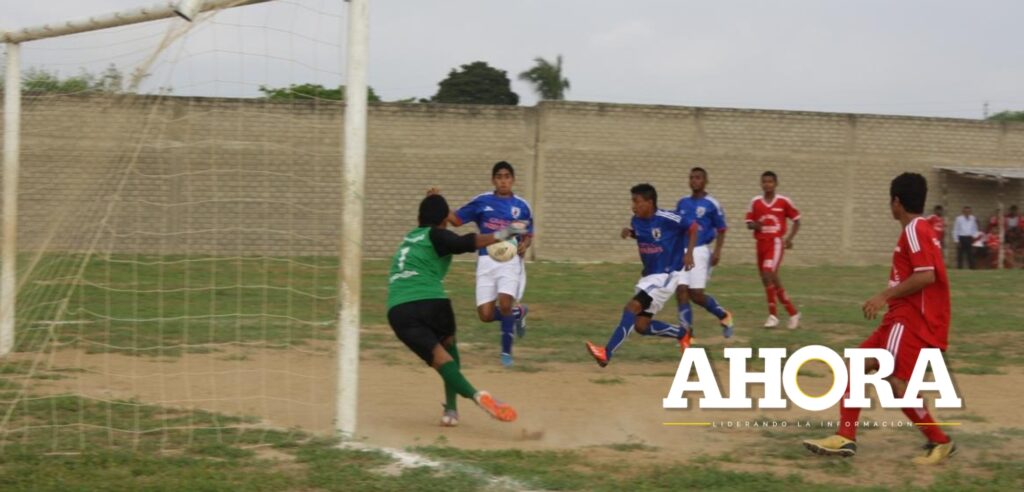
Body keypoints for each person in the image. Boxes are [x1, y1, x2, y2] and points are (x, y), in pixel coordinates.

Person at [802, 172, 956, 465]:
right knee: (855, 365)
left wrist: (884, 295)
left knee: (897, 383)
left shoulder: (913, 230)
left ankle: (940, 441)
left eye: (890, 200)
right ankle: (845, 436)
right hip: (901, 320)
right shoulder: (921, 229)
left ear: (896, 202)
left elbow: (926, 276)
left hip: (911, 321)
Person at [387, 194, 525, 427]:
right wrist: (504, 234)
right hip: (432, 301)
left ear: (418, 217)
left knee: (440, 360)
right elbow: (466, 243)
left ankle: (466, 402)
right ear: (443, 219)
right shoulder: (437, 235)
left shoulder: (409, 239)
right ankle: (454, 406)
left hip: (397, 309)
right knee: (448, 346)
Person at [585, 184, 697, 367]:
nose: (633, 206)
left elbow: (693, 227)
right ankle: (682, 333)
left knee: (631, 307)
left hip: (666, 274)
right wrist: (631, 234)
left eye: (637, 201)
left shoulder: (667, 218)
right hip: (650, 276)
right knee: (641, 326)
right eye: (632, 201)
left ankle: (606, 352)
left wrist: (689, 253)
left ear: (649, 202)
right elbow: (648, 237)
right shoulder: (636, 220)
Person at [447, 161, 533, 367]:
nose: (503, 181)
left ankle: (506, 354)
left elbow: (527, 234)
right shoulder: (482, 202)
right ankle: (518, 314)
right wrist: (438, 203)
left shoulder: (521, 206)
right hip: (486, 260)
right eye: (499, 177)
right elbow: (457, 220)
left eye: (507, 177)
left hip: (510, 261)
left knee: (504, 303)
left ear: (513, 179)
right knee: (485, 315)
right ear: (493, 180)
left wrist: (524, 245)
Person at [674, 167, 734, 342]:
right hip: (682, 250)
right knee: (681, 290)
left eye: (698, 178)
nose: (694, 181)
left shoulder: (712, 204)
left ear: (705, 181)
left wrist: (717, 251)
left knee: (696, 294)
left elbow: (722, 229)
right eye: (691, 178)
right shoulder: (682, 203)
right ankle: (687, 333)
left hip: (700, 250)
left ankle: (723, 315)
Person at [745, 171, 801, 329]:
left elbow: (797, 220)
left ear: (776, 184)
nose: (767, 184)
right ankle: (792, 312)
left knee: (768, 271)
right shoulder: (755, 202)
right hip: (760, 243)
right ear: (761, 184)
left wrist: (789, 239)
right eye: (764, 182)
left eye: (770, 182)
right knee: (767, 278)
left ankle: (773, 315)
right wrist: (755, 225)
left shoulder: (783, 202)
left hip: (775, 242)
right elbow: (749, 222)